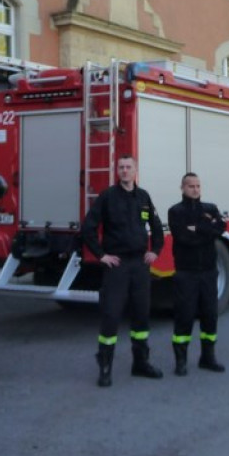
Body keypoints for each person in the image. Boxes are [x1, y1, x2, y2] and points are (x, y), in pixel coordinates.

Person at [81, 156, 165, 387]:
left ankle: (141, 363)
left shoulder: (144, 197)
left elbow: (157, 228)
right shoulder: (108, 197)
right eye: (121, 168)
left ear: (136, 170)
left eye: (129, 167)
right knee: (111, 315)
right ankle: (105, 367)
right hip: (117, 265)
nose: (125, 171)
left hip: (139, 265)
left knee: (141, 314)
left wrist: (155, 250)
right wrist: (101, 255)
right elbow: (87, 228)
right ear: (117, 171)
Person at [167, 172, 228, 375]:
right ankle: (181, 360)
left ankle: (207, 358)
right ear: (182, 188)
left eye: (198, 186)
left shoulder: (210, 209)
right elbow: (183, 236)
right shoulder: (175, 211)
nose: (195, 189)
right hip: (186, 273)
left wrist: (199, 229)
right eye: (191, 186)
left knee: (210, 316)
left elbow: (221, 227)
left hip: (209, 273)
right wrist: (205, 230)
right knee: (184, 316)